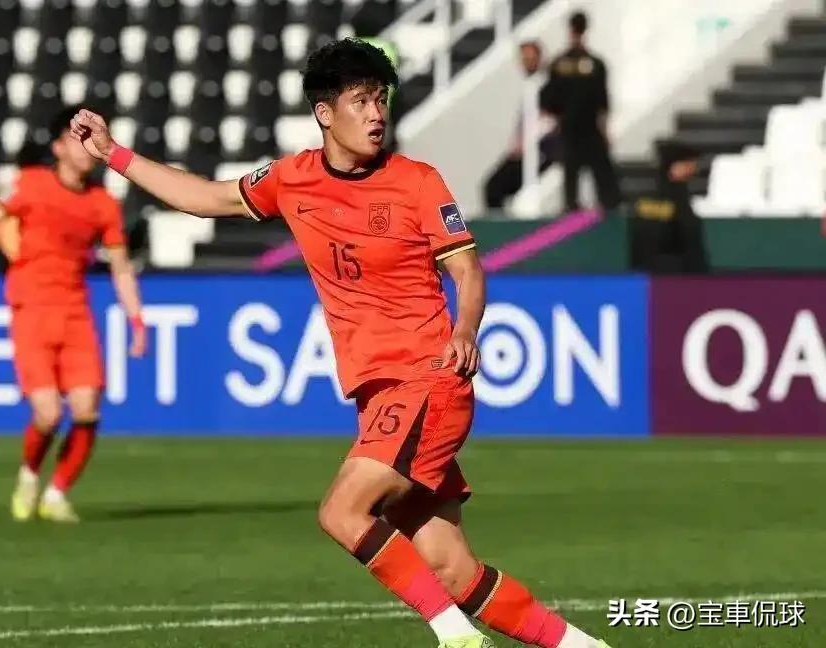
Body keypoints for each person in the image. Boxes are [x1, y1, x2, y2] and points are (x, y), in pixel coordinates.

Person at [70, 40, 610, 648]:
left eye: (381, 99)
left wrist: (464, 330)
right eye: (361, 101)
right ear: (325, 113)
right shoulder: (291, 179)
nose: (377, 113)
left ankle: (456, 638)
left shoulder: (417, 181)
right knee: (452, 571)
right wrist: (113, 154)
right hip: (381, 396)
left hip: (427, 379)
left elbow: (467, 271)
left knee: (342, 512)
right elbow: (205, 197)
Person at [0, 106, 147, 524]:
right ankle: (29, 475)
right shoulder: (31, 184)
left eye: (91, 139)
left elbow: (121, 267)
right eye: (78, 139)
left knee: (87, 408)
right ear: (58, 147)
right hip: (32, 310)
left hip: (75, 312)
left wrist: (136, 321)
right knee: (49, 414)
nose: (87, 148)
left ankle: (57, 494)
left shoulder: (103, 205)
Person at [541, 12, 621, 213]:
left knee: (580, 173)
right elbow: (602, 103)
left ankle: (580, 208)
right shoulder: (592, 64)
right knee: (587, 174)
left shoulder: (561, 64)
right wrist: (605, 130)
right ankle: (599, 208)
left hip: (574, 128)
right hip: (583, 128)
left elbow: (550, 102)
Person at [484, 41, 559, 209]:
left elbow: (550, 122)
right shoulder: (530, 86)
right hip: (524, 150)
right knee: (492, 187)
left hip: (542, 151)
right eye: (524, 59)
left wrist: (527, 142)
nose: (527, 63)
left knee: (496, 188)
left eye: (531, 59)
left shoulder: (550, 86)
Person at [630, 140, 708, 272]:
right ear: (674, 166)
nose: (694, 168)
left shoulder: (680, 192)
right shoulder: (658, 196)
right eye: (688, 163)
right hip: (665, 270)